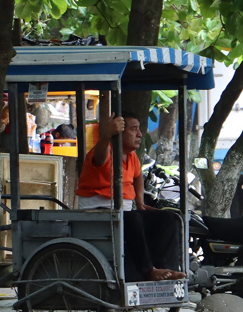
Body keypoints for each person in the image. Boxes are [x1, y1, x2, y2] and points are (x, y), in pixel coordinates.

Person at [76, 112, 185, 281]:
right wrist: (107, 134)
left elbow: (137, 176)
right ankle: (148, 270)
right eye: (134, 129)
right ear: (119, 132)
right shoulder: (105, 150)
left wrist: (140, 202)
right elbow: (100, 155)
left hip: (122, 212)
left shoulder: (132, 156)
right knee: (133, 219)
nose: (140, 134)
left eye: (139, 129)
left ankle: (166, 269)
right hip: (97, 212)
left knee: (169, 218)